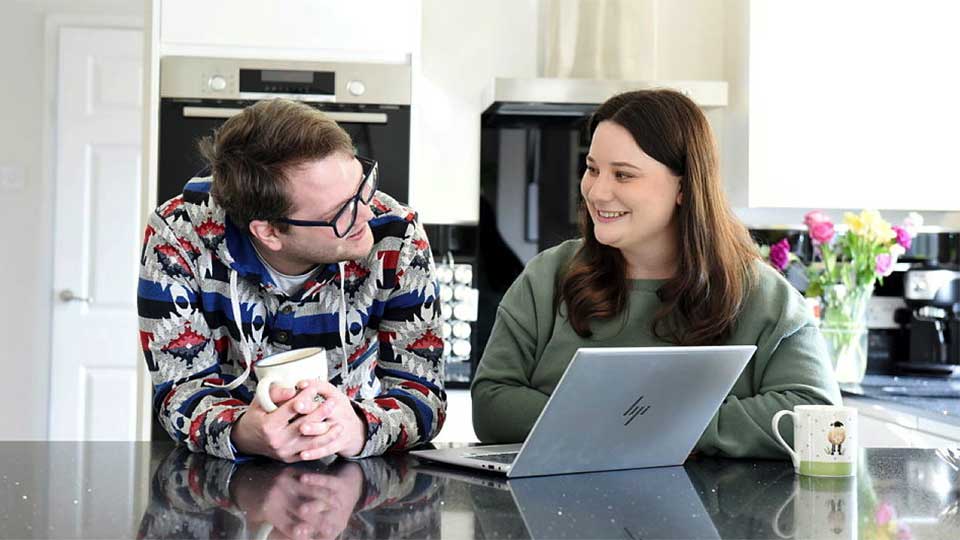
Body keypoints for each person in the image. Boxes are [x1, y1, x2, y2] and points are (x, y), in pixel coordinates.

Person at [471, 89, 841, 458]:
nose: (597, 191)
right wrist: (647, 421)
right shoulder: (547, 277)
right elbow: (492, 404)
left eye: (623, 175)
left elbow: (818, 418)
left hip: (714, 500)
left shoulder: (762, 296)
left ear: (684, 186)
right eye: (592, 169)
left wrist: (656, 424)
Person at [138, 98, 446, 462]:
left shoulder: (397, 235)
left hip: (354, 465)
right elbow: (179, 389)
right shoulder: (177, 235)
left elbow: (424, 393)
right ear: (269, 231)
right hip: (220, 474)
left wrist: (360, 428)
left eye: (363, 186)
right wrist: (242, 431)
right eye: (341, 211)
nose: (367, 212)